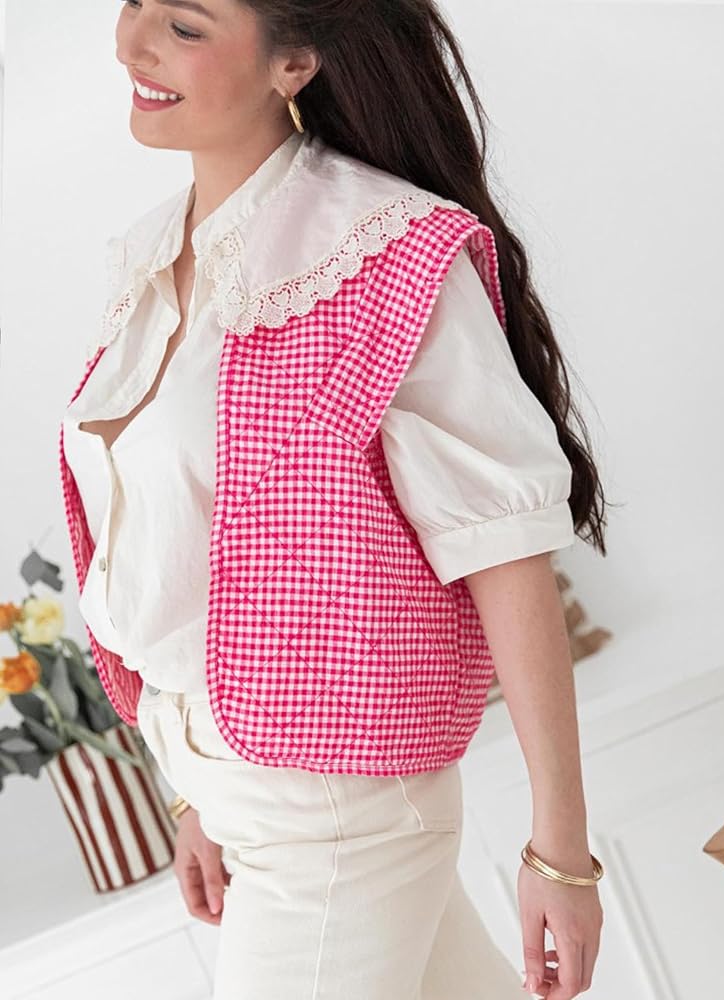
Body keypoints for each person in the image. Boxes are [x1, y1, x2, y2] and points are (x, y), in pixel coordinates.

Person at [57, 1, 607, 997]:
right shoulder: (150, 259)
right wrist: (193, 796)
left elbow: (503, 546)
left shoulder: (384, 249)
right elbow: (175, 558)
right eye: (134, 2)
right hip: (240, 791)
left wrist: (560, 851)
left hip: (334, 812)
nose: (133, 43)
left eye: (185, 26)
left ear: (295, 62)